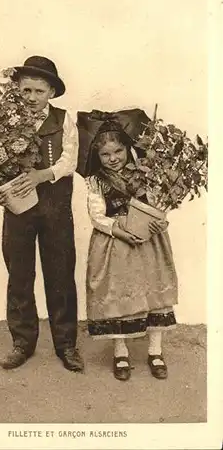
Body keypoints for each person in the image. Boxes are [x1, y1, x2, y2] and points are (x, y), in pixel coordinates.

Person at [0, 56, 84, 373]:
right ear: (18, 90)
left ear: (51, 91)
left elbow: (70, 161)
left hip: (55, 207)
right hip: (18, 210)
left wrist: (43, 175)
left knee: (61, 276)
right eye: (26, 91)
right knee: (20, 276)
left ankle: (66, 345)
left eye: (39, 91)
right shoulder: (2, 120)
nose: (32, 98)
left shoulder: (65, 120)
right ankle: (22, 343)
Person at [85, 121, 178, 381]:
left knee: (153, 291)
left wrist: (160, 219)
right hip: (115, 241)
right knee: (117, 292)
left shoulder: (146, 173)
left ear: (128, 148)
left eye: (118, 152)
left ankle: (155, 350)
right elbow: (96, 216)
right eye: (105, 154)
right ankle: (120, 350)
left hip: (149, 240)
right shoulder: (95, 181)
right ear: (97, 156)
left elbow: (159, 204)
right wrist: (121, 231)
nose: (112, 159)